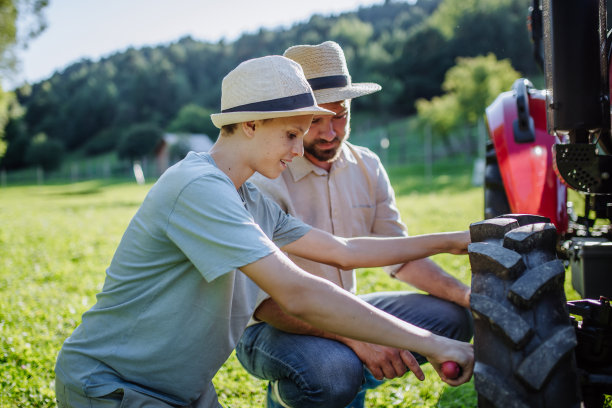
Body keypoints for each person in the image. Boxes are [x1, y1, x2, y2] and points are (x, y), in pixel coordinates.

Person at [54, 55, 473, 408]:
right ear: (250, 125)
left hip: (185, 393)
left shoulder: (251, 200)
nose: (298, 148)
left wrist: (455, 240)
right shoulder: (198, 187)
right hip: (112, 387)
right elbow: (297, 293)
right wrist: (434, 344)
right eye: (292, 134)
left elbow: (344, 251)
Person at [236, 41, 473, 408]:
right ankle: (307, 386)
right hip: (271, 326)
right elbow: (265, 304)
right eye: (315, 120)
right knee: (333, 371)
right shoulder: (264, 180)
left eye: (340, 115)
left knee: (452, 318)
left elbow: (402, 257)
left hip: (346, 307)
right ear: (291, 117)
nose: (330, 132)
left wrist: (466, 296)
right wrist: (357, 339)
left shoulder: (368, 166)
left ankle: (336, 383)